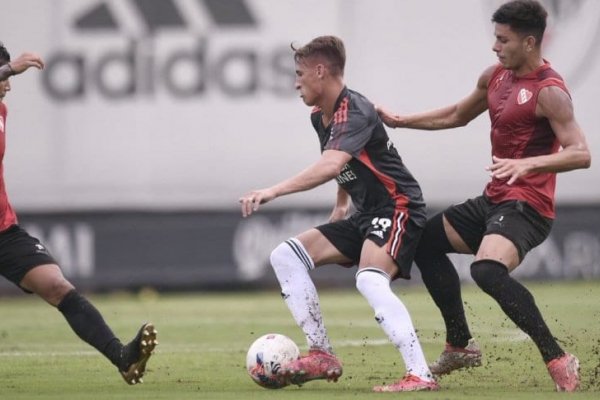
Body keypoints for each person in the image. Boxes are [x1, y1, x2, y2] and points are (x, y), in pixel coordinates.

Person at [377, 0, 591, 392]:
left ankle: (558, 357)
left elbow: (581, 154)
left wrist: (529, 165)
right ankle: (459, 345)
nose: (495, 47)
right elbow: (457, 114)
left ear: (529, 43)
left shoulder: (550, 92)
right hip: (494, 200)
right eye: (495, 38)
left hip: (528, 207)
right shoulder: (495, 77)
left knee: (486, 270)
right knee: (421, 240)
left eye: (502, 39)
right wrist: (402, 121)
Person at [239, 35, 438, 392]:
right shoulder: (320, 116)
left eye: (300, 73)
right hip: (365, 213)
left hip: (398, 206)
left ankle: (420, 374)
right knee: (285, 256)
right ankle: (321, 353)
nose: (296, 82)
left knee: (369, 278)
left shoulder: (356, 109)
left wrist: (273, 191)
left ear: (320, 71)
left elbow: (331, 164)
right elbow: (344, 163)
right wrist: (341, 204)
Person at [0, 42, 158, 385]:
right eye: (4, 78)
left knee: (57, 286)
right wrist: (11, 67)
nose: (9, 85)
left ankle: (124, 358)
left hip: (3, 231)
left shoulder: (2, 111)